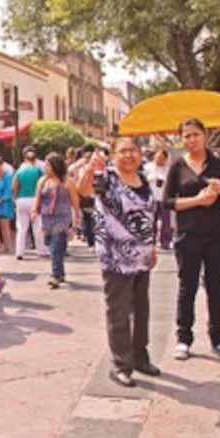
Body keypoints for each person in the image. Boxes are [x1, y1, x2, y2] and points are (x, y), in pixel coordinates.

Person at [78, 137, 160, 388]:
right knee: (119, 311)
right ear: (113, 156)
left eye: (132, 151)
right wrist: (91, 168)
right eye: (122, 151)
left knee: (141, 309)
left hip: (142, 255)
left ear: (140, 154)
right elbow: (84, 191)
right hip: (115, 256)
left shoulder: (143, 179)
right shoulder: (108, 178)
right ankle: (120, 364)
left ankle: (140, 357)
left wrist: (152, 245)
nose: (128, 156)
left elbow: (149, 216)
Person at [163, 118, 220, 361]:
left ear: (205, 135)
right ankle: (184, 338)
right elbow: (168, 202)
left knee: (216, 288)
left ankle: (218, 339)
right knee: (187, 288)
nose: (191, 140)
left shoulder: (219, 163)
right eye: (186, 136)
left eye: (195, 134)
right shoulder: (177, 165)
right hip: (188, 235)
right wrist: (197, 200)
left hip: (217, 234)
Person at [32, 153, 81, 289]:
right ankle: (61, 272)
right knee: (53, 245)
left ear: (56, 166)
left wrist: (77, 215)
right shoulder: (42, 181)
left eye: (48, 165)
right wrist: (34, 210)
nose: (46, 167)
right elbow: (37, 197)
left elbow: (75, 199)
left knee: (55, 246)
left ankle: (55, 275)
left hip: (62, 217)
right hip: (47, 217)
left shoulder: (67, 181)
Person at [13, 147, 45, 259]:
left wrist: (16, 198)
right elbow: (42, 186)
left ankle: (19, 252)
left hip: (21, 200)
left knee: (21, 228)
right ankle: (41, 250)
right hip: (35, 200)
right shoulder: (38, 171)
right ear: (35, 159)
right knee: (38, 227)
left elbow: (14, 187)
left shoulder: (19, 171)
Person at [144, 148, 173, 250]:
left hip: (164, 198)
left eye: (161, 158)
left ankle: (165, 241)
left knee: (166, 222)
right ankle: (150, 241)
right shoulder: (147, 168)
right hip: (151, 197)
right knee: (151, 221)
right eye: (157, 157)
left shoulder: (168, 169)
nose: (159, 160)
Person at [0, 155, 15, 254]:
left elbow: (8, 190)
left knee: (4, 226)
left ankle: (8, 246)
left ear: (2, 165)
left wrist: (1, 199)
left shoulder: (8, 176)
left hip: (5, 203)